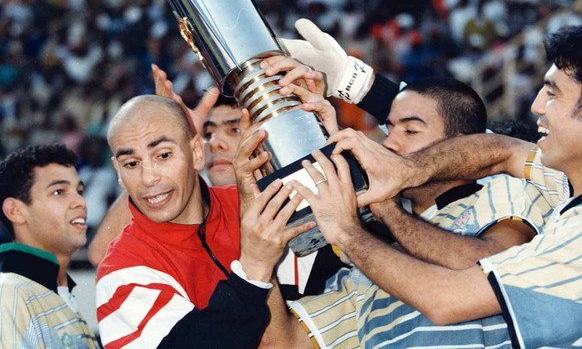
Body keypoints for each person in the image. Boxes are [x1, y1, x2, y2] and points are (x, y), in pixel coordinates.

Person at [310, 24, 582, 348]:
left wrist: (346, 230)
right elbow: (499, 148)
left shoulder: (554, 220)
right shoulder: (562, 186)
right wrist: (355, 86)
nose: (537, 104)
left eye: (552, 93)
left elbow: (447, 300)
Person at [256, 77, 553, 347]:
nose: (390, 143)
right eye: (389, 128)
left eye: (410, 130)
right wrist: (259, 259)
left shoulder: (507, 192)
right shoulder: (371, 258)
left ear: (463, 144)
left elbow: (482, 273)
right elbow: (285, 343)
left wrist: (381, 210)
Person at [90, 65, 346, 299]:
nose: (215, 143)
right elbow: (100, 253)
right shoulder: (195, 214)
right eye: (208, 133)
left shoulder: (302, 204)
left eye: (234, 129)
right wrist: (161, 144)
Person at [95, 94, 312, 348]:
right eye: (131, 163)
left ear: (197, 152)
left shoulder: (257, 202)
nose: (148, 178)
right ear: (118, 172)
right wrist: (254, 266)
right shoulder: (120, 270)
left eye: (163, 156)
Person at [0, 144, 100, 348]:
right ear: (16, 211)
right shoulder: (9, 292)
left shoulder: (54, 291)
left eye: (79, 190)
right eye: (59, 192)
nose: (80, 201)